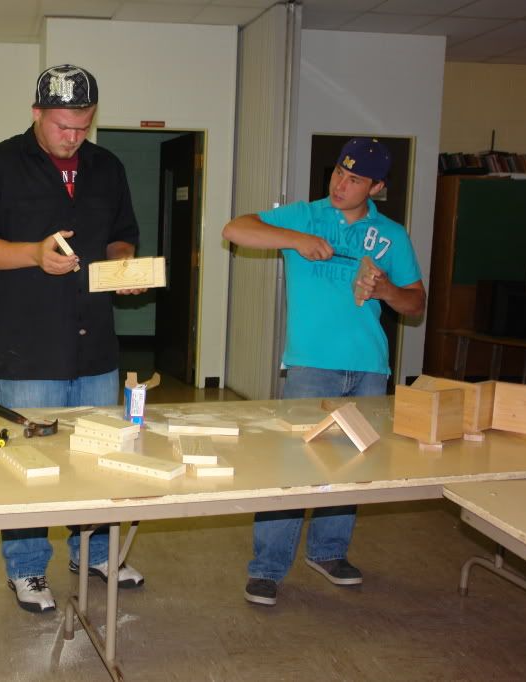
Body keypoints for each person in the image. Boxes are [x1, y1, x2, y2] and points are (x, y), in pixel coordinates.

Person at [0, 64, 146, 613]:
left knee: (100, 456)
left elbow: (121, 238)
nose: (73, 137)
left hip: (94, 345)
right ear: (37, 113)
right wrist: (31, 255)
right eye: (63, 125)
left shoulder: (107, 167)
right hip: (27, 343)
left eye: (83, 126)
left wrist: (126, 266)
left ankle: (93, 552)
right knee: (28, 462)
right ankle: (25, 569)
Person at [222, 137, 426, 607]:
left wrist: (386, 290)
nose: (340, 183)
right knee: (292, 469)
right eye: (339, 171)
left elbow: (416, 303)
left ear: (376, 186)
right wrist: (298, 239)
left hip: (369, 368)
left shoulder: (392, 235)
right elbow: (236, 229)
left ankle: (329, 552)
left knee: (351, 468)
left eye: (355, 179)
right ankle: (268, 568)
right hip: (311, 367)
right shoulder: (305, 215)